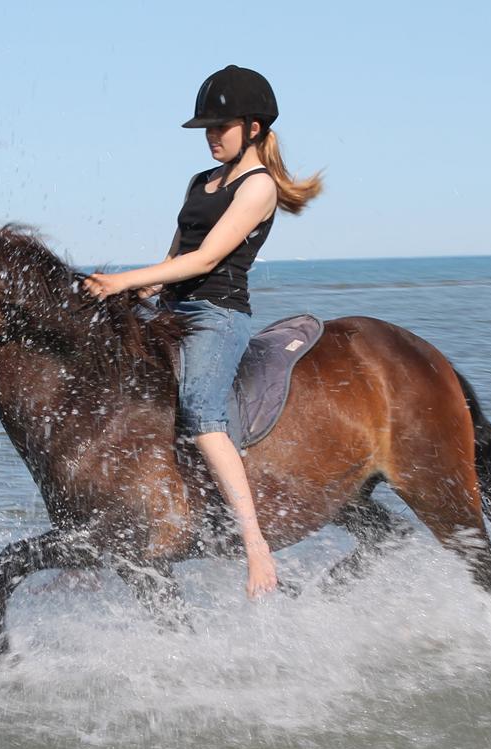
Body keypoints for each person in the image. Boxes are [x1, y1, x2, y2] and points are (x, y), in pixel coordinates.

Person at [84, 65, 322, 599]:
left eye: (222, 126)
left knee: (200, 410)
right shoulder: (200, 183)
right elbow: (174, 257)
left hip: (217, 315)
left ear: (254, 128)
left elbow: (207, 259)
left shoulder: (258, 187)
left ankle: (255, 546)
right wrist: (127, 295)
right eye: (207, 129)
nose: (213, 137)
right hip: (171, 307)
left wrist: (125, 277)